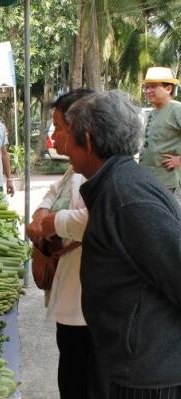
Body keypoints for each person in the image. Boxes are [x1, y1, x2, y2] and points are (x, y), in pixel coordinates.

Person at [64, 90, 181, 397]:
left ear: (87, 141)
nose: (63, 148)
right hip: (132, 364)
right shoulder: (117, 185)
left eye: (69, 137)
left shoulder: (128, 197)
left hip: (148, 375)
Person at [26, 89, 106, 399]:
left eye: (59, 126)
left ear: (82, 130)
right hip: (70, 300)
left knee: (82, 379)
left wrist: (52, 223)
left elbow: (93, 219)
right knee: (71, 373)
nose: (54, 135)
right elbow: (52, 190)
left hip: (86, 306)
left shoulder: (103, 176)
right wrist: (43, 212)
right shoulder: (78, 168)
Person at [139, 66, 181, 204]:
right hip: (147, 178)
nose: (148, 91)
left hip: (165, 182)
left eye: (153, 87)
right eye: (146, 87)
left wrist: (179, 160)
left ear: (168, 88)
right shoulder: (152, 112)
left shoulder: (176, 109)